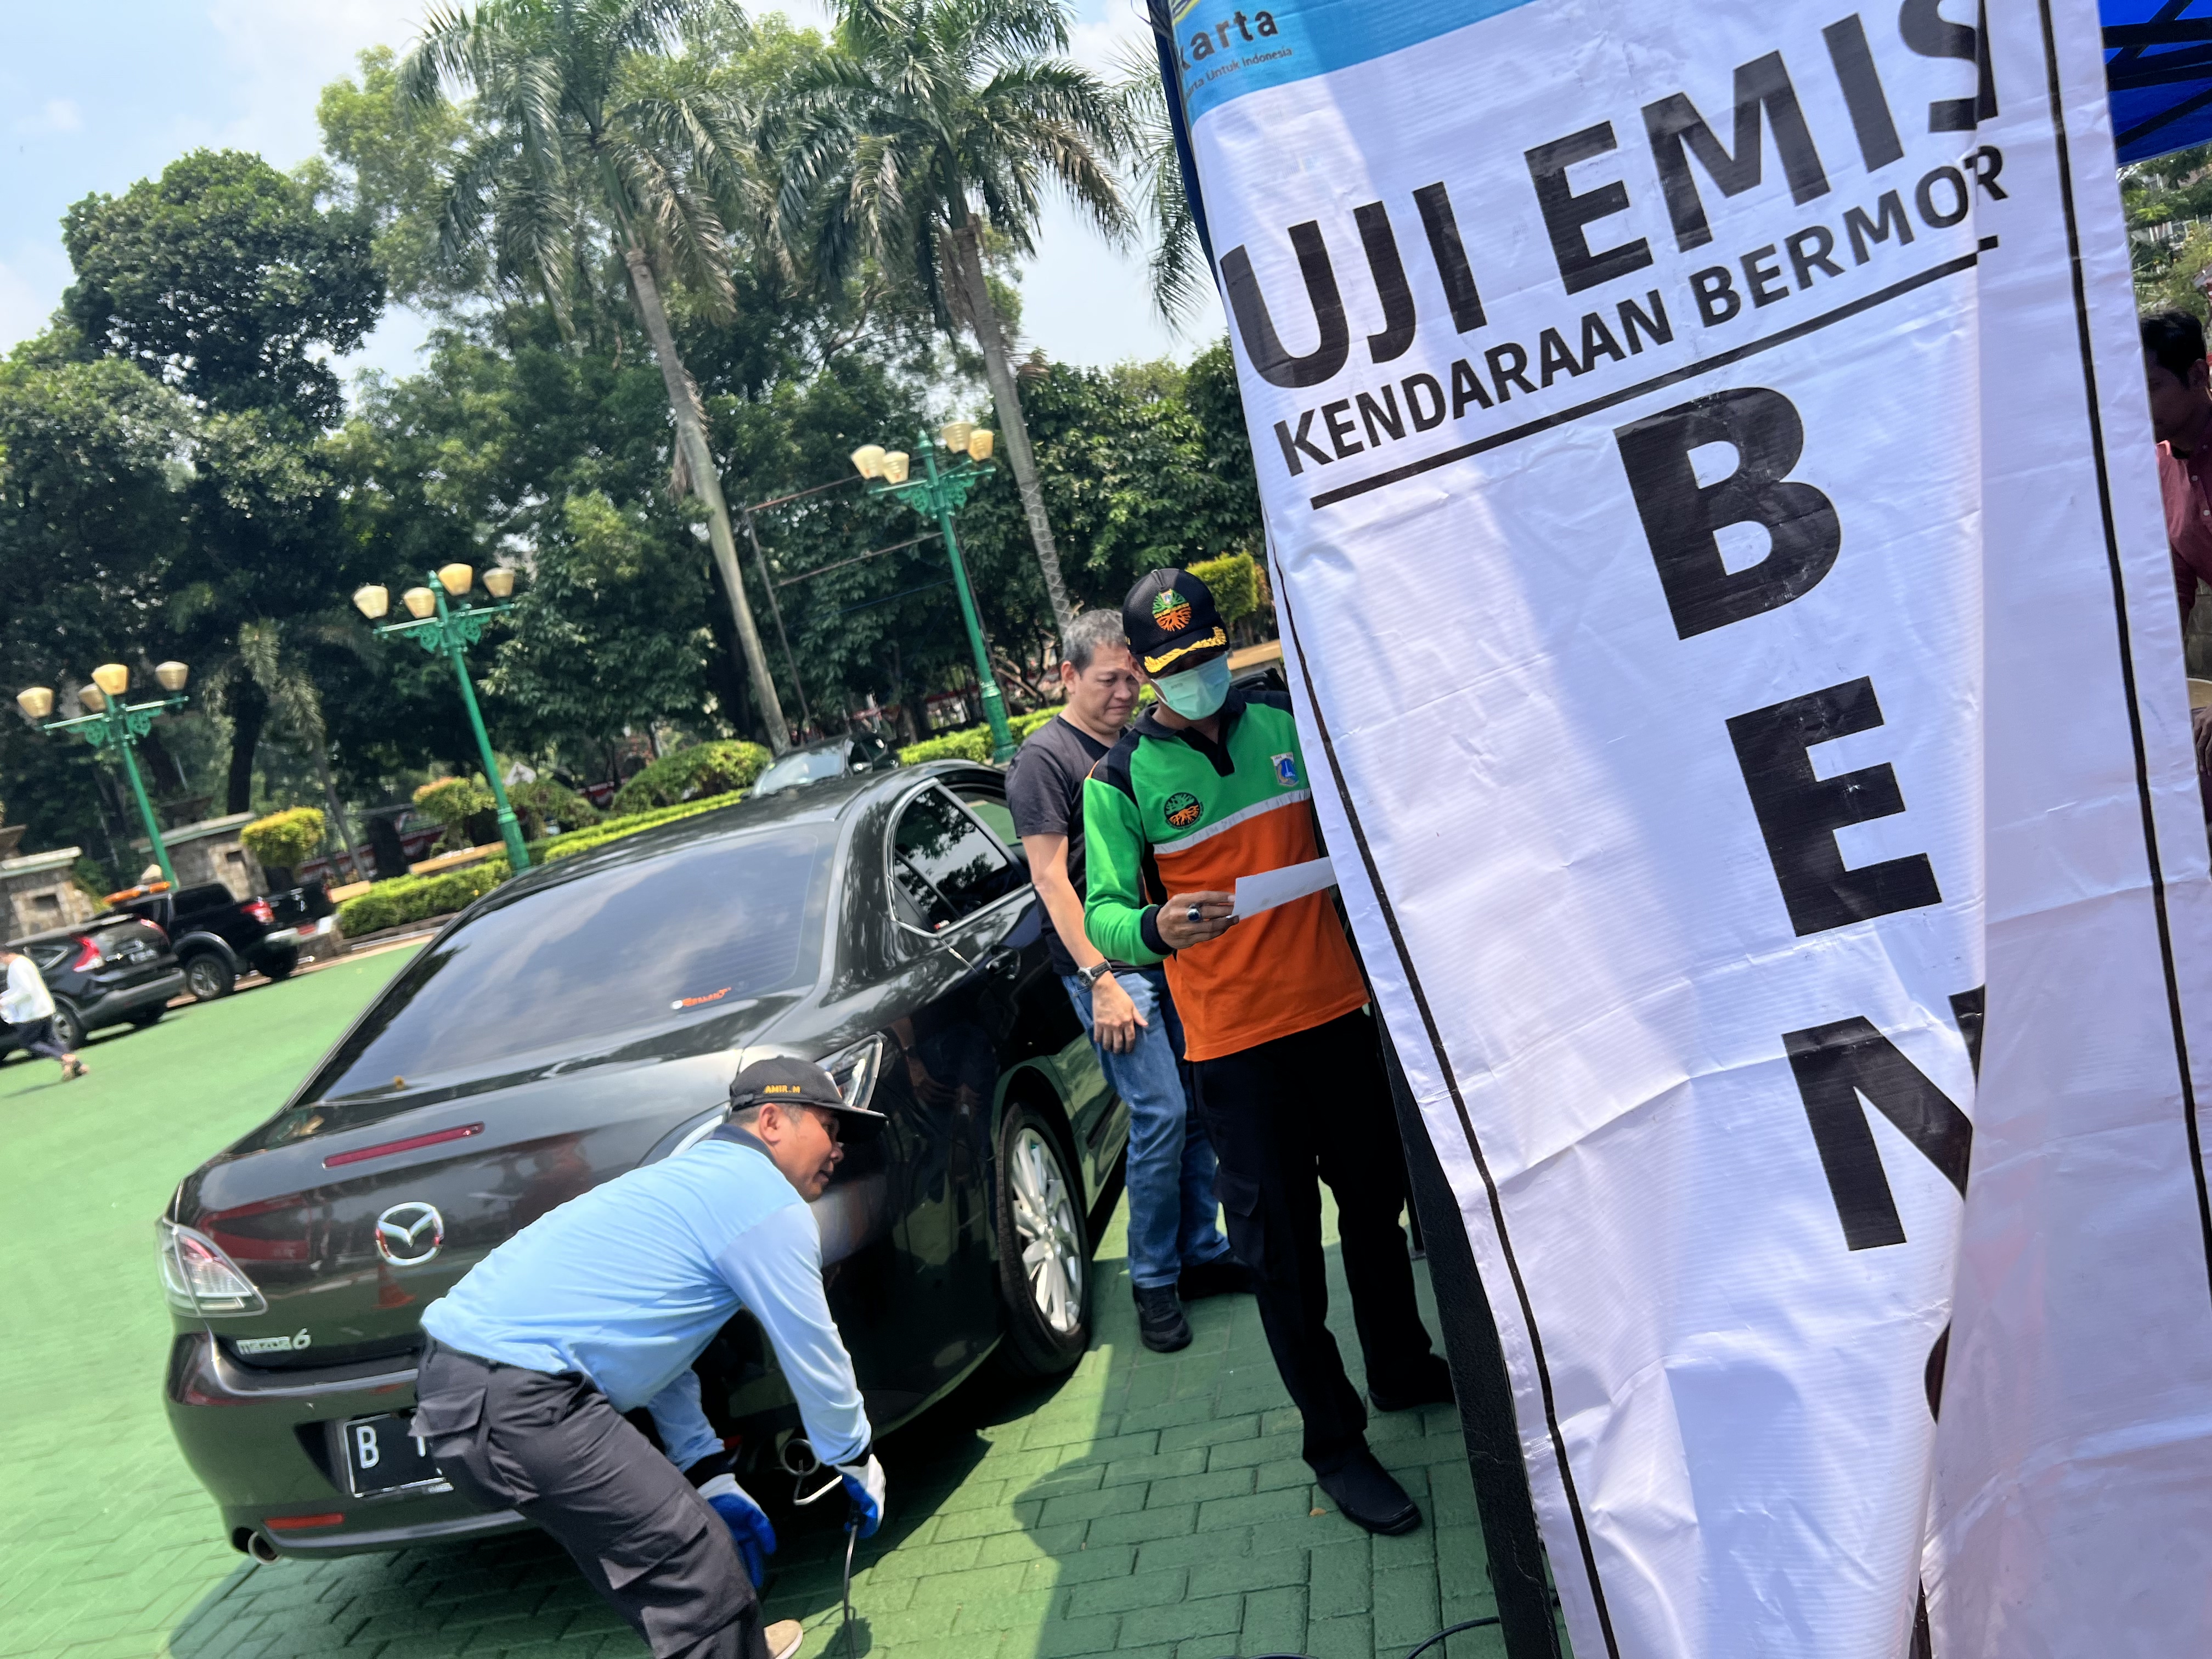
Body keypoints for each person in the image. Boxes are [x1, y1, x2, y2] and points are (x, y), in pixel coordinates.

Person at [1082, 568, 1453, 1537]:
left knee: (1375, 1210)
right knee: (1283, 1259)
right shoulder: (1117, 784)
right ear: (1141, 670)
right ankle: (1334, 1440)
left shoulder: (1288, 723)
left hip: (1337, 1017)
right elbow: (1105, 917)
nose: (1195, 680)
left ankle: (1400, 1362)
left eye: (1207, 659)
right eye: (1173, 669)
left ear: (1224, 644)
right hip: (1236, 1056)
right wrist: (1157, 922)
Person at [411, 1057, 891, 1659]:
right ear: (772, 1121)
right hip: (517, 1398)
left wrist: (704, 1468)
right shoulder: (765, 1201)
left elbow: (657, 1348)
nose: (839, 1149)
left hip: (467, 1391)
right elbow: (811, 1346)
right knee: (693, 1564)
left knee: (673, 1568)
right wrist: (851, 1453)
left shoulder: (686, 1183)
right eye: (830, 1127)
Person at [1007, 608, 1246, 1353]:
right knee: (1161, 1114)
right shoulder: (1044, 760)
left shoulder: (1143, 741)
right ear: (1068, 676)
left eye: (1132, 675)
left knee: (1200, 1106)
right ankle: (1151, 1280)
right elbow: (1052, 881)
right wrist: (1101, 977)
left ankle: (1200, 1254)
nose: (1124, 691)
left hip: (1172, 950)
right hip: (1112, 969)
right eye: (1107, 679)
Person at [2141, 309, 2212, 814]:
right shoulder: (2162, 467)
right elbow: (2174, 594)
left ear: (2199, 374)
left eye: (2151, 386)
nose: (2136, 406)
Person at [2, 945, 84, 1080]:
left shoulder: (16, 967)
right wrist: (6, 996)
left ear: (3, 955)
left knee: (30, 1043)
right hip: (44, 1008)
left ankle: (64, 1058)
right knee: (51, 1039)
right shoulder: (24, 962)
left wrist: (5, 1002)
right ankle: (78, 1066)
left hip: (32, 1013)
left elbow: (25, 990)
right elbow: (22, 988)